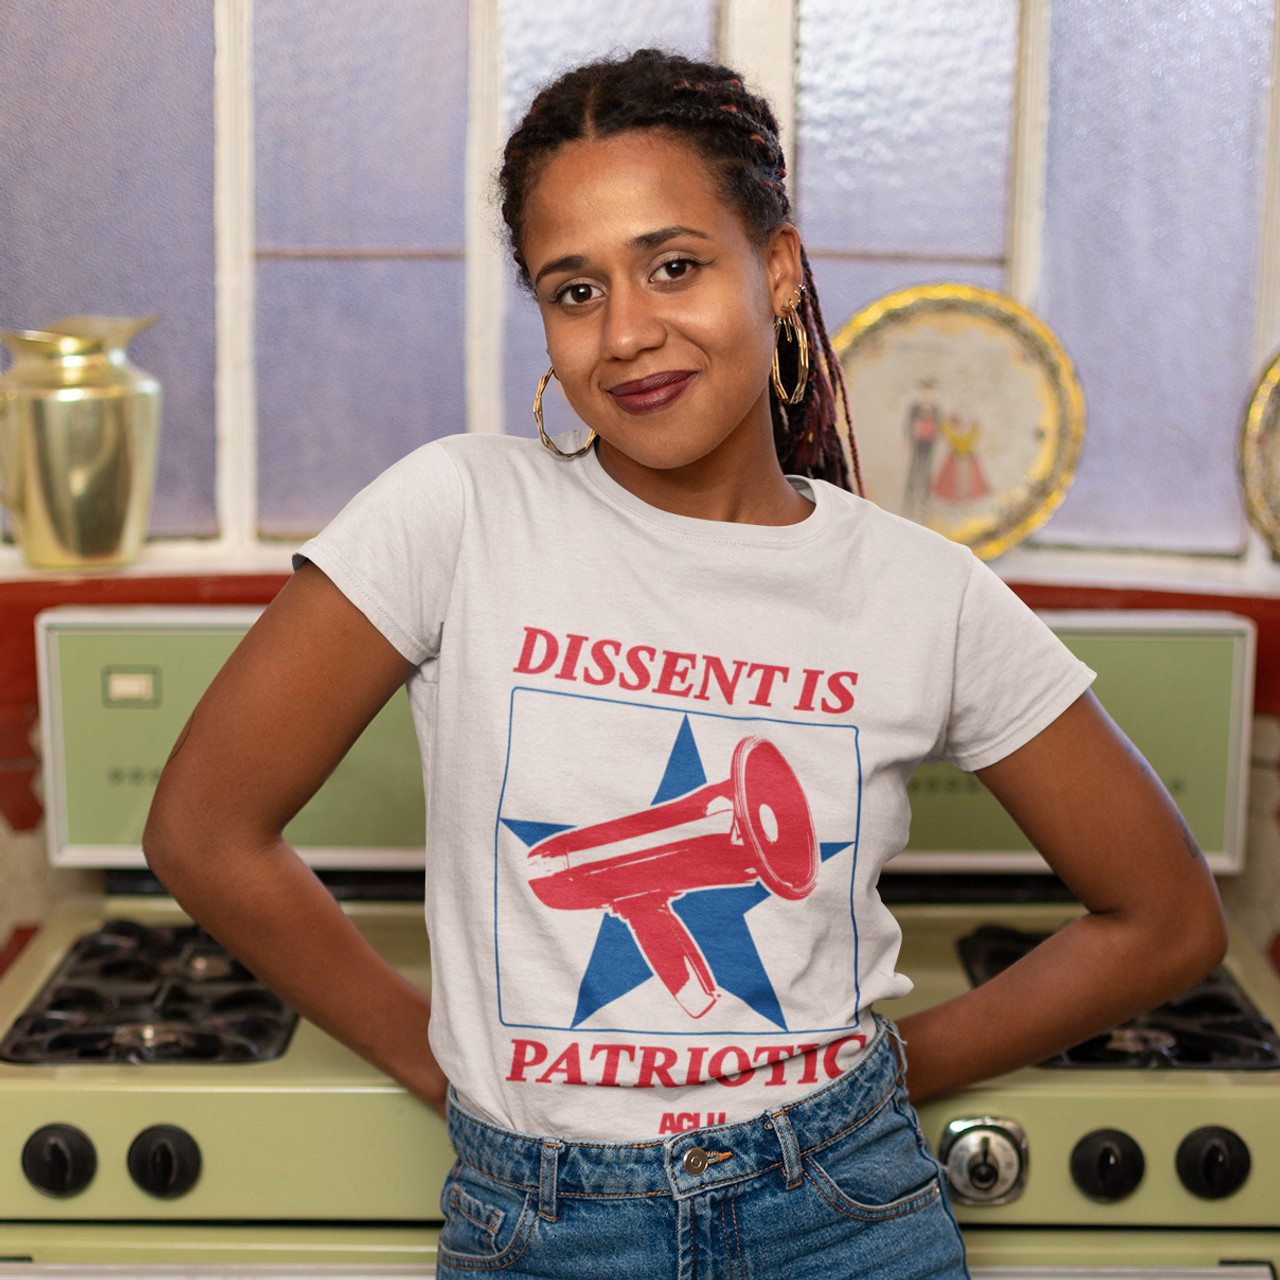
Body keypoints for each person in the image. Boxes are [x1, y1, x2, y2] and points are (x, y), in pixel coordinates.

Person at [143, 48, 1226, 1280]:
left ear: (772, 267)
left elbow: (1166, 919)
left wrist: (878, 1077)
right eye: (572, 289)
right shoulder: (452, 511)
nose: (628, 334)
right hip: (538, 1221)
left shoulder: (925, 591)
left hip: (842, 1209)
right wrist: (430, 1055)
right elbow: (203, 826)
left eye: (673, 265)